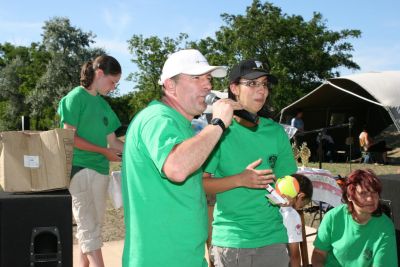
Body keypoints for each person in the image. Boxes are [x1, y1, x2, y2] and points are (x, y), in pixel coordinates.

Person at [121, 49, 241, 267]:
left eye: (208, 78)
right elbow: (176, 168)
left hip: (185, 257)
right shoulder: (157, 118)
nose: (207, 85)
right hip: (160, 260)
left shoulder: (181, 126)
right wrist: (219, 123)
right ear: (170, 85)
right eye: (196, 78)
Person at [203, 59, 298, 267]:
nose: (261, 90)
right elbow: (201, 183)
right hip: (233, 240)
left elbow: (288, 177)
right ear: (234, 88)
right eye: (252, 83)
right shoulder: (218, 130)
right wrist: (240, 180)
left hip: (273, 238)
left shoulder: (276, 132)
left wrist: (290, 193)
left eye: (264, 84)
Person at [57, 55, 124, 267]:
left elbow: (114, 143)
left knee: (92, 228)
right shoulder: (75, 97)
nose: (114, 87)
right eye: (112, 82)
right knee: (88, 228)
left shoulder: (104, 106)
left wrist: (138, 151)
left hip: (101, 172)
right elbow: (70, 138)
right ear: (99, 73)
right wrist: (103, 152)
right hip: (79, 169)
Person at [312, 169, 398, 267]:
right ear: (349, 196)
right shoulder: (333, 217)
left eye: (374, 192)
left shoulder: (385, 226)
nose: (370, 199)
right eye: (363, 193)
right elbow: (319, 254)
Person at [279, 174, 313, 267]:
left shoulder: (269, 206)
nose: (299, 209)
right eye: (301, 205)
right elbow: (294, 255)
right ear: (301, 196)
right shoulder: (292, 215)